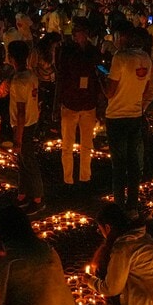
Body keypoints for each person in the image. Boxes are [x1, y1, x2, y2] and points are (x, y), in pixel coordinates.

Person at [102, 26, 153, 216]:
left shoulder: (120, 58)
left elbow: (109, 92)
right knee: (133, 164)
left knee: (119, 164)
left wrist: (102, 78)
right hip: (135, 115)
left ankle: (118, 205)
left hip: (116, 116)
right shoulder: (146, 59)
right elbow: (148, 88)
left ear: (122, 37)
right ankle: (132, 206)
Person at [55, 19, 100, 186]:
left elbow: (98, 71)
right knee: (67, 144)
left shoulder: (93, 51)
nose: (79, 34)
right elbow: (61, 74)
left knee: (87, 144)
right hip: (71, 102)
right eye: (76, 31)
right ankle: (68, 178)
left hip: (88, 102)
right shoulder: (67, 51)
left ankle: (84, 176)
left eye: (81, 31)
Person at [7, 40, 43, 213]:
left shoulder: (19, 82)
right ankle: (23, 194)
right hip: (32, 121)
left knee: (28, 162)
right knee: (22, 161)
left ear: (11, 57)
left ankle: (37, 199)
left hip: (24, 125)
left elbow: (20, 112)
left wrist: (18, 138)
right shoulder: (31, 75)